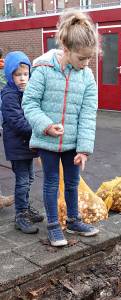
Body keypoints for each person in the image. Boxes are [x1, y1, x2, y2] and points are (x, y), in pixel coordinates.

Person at [22, 9, 99, 247]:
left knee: (73, 183)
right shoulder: (43, 69)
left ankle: (74, 220)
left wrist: (84, 149)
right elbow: (29, 103)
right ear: (66, 48)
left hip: (73, 142)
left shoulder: (87, 76)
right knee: (52, 181)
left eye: (89, 58)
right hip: (47, 140)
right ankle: (54, 226)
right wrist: (46, 126)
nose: (86, 64)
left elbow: (88, 114)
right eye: (81, 58)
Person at [1, 51, 44, 234]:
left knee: (30, 178)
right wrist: (40, 130)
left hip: (26, 145)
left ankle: (25, 208)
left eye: (25, 74)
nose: (22, 78)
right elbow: (18, 122)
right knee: (23, 181)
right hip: (17, 146)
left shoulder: (26, 92)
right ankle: (20, 215)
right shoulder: (9, 95)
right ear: (10, 76)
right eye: (18, 75)